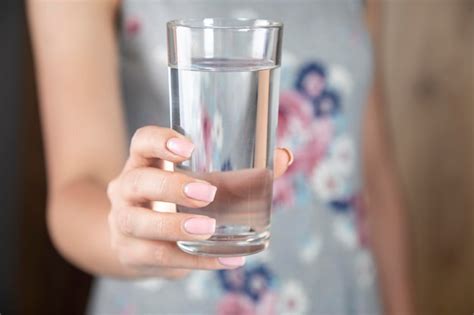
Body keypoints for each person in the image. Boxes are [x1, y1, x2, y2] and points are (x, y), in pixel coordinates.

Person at [27, 0, 414, 314]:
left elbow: (374, 169)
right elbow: (75, 188)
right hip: (176, 301)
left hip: (343, 291)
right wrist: (123, 234)